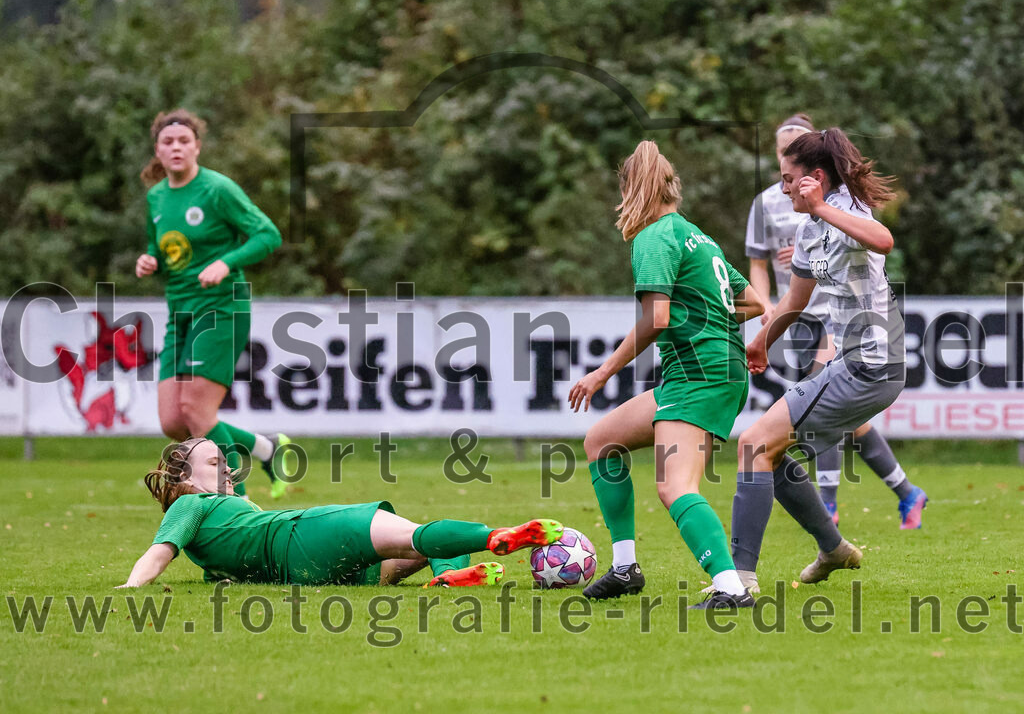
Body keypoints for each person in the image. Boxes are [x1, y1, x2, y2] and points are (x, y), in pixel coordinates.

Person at [568, 140, 766, 609]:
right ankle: (625, 568)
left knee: (674, 485)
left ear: (634, 189)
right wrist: (707, 322)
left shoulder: (655, 237)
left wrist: (603, 371)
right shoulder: (695, 234)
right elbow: (755, 302)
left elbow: (657, 318)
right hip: (704, 370)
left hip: (700, 373)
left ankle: (731, 589)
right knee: (602, 441)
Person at [733, 126, 914, 591]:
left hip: (872, 365)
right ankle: (833, 550)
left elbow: (883, 240)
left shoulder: (847, 211)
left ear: (815, 178)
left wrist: (821, 207)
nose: (784, 188)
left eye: (789, 179)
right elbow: (795, 300)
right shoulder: (810, 229)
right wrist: (762, 340)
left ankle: (739, 582)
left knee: (754, 444)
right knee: (767, 452)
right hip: (854, 363)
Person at [117, 438, 564, 588]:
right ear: (185, 480)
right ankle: (493, 537)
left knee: (419, 549)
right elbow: (160, 552)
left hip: (310, 575)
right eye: (215, 464)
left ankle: (449, 576)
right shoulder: (193, 502)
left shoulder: (214, 528)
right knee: (420, 533)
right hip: (307, 532)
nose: (229, 469)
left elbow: (225, 571)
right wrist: (132, 585)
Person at [135, 109, 293, 499]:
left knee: (196, 410)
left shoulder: (217, 189)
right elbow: (165, 249)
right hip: (181, 311)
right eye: (168, 142)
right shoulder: (156, 196)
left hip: (222, 306)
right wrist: (150, 259)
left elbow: (268, 235)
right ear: (157, 149)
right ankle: (267, 448)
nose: (176, 147)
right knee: (173, 420)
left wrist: (226, 262)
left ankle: (234, 504)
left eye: (183, 141)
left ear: (197, 147)